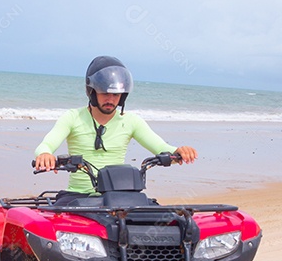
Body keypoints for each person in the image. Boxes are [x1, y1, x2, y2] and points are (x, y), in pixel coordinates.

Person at [34, 56, 196, 196]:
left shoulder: (132, 121)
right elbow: (47, 144)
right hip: (78, 195)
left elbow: (161, 147)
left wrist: (178, 152)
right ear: (92, 91)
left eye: (116, 95)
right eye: (105, 93)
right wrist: (45, 155)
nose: (110, 100)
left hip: (119, 195)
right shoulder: (72, 117)